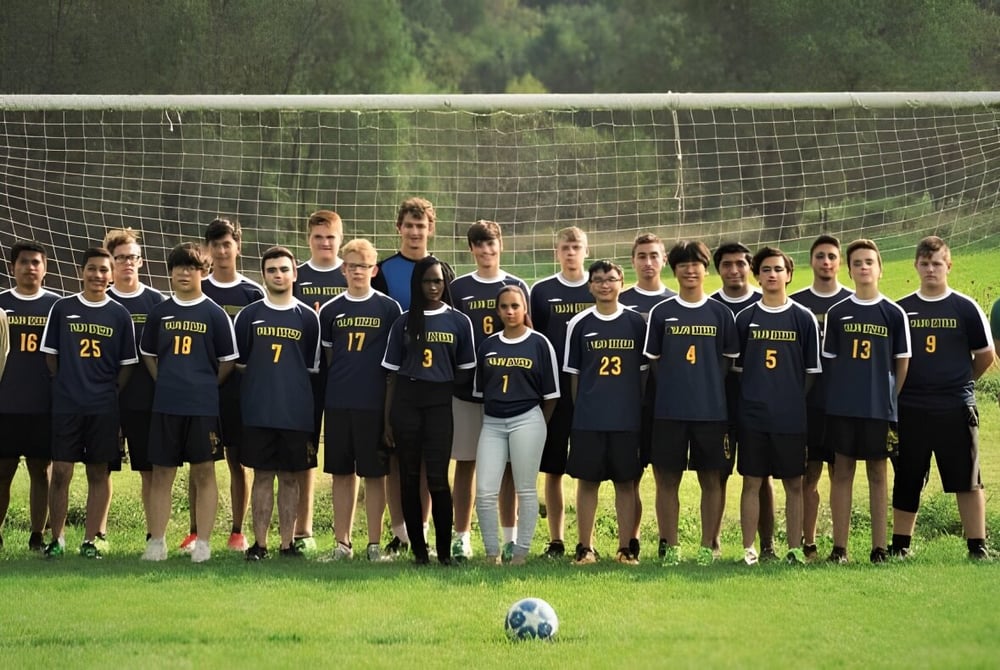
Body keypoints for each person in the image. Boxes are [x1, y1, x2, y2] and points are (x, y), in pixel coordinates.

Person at [893, 236, 993, 560]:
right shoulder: (900, 309)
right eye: (924, 263)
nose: (931, 269)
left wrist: (961, 383)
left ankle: (977, 546)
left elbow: (986, 355)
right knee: (907, 477)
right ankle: (900, 546)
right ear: (916, 266)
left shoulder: (965, 307)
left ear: (948, 265)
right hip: (911, 407)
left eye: (937, 263)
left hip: (955, 407)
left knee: (967, 478)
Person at [140, 242, 238, 563]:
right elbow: (148, 354)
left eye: (192, 267)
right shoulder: (159, 312)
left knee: (204, 472)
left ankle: (204, 544)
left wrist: (205, 386)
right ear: (170, 272)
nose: (185, 273)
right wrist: (165, 381)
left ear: (204, 272)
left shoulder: (214, 313)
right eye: (179, 267)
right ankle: (157, 542)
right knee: (161, 473)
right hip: (166, 405)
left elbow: (228, 361)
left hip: (202, 407)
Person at [644, 240, 738, 566]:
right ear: (674, 270)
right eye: (682, 264)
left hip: (711, 413)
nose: (689, 270)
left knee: (711, 479)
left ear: (705, 269)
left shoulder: (721, 313)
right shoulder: (661, 312)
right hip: (669, 412)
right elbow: (654, 361)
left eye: (695, 264)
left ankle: (707, 547)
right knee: (667, 480)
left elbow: (727, 361)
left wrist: (705, 387)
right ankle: (671, 547)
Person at [39, 247, 138, 558]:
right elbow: (51, 356)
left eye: (104, 269)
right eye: (92, 268)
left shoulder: (120, 314)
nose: (98, 275)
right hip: (67, 405)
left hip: (103, 407)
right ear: (81, 272)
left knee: (99, 472)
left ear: (111, 275)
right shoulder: (62, 308)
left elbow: (127, 365)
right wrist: (67, 386)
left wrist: (109, 392)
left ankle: (91, 540)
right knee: (61, 471)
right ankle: (57, 539)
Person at [372, 197, 454, 557]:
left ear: (430, 229)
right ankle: (400, 532)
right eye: (409, 225)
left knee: (430, 464)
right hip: (398, 376)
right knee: (398, 461)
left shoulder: (442, 270)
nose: (415, 231)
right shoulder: (384, 270)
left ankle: (423, 529)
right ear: (399, 228)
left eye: (421, 225)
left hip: (434, 385)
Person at [382, 256, 475, 565]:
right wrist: (387, 421)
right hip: (407, 401)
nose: (433, 286)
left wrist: (442, 384)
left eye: (438, 281)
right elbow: (392, 375)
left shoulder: (459, 321)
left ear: (445, 283)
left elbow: (466, 370)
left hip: (439, 403)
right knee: (409, 478)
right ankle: (419, 553)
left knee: (437, 478)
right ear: (417, 284)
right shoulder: (404, 321)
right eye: (427, 281)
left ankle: (445, 553)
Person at [823, 239, 910, 564]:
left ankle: (879, 548)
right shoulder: (837, 313)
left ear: (880, 269)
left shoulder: (893, 313)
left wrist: (888, 397)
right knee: (842, 471)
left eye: (869, 262)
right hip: (844, 407)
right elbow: (830, 361)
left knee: (877, 472)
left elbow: (902, 362)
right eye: (857, 263)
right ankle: (839, 548)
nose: (863, 268)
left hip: (878, 409)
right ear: (849, 270)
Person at [733, 247, 820, 565]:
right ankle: (749, 549)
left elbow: (811, 372)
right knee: (752, 481)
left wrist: (790, 399)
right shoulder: (745, 318)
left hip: (790, 417)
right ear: (757, 276)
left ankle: (794, 549)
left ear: (789, 275)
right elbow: (738, 371)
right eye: (766, 269)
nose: (772, 274)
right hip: (753, 416)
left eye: (778, 269)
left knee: (794, 482)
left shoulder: (803, 318)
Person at [449, 221, 529, 561]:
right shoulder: (458, 287)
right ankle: (462, 537)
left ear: (501, 245)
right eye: (479, 245)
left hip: (506, 391)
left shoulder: (517, 285)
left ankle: (510, 538)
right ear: (471, 249)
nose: (486, 250)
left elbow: (526, 334)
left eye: (491, 243)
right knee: (466, 463)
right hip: (468, 389)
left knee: (509, 466)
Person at [235, 246, 321, 560]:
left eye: (284, 269)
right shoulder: (248, 316)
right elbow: (240, 365)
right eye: (271, 270)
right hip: (258, 410)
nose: (278, 275)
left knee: (289, 477)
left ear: (294, 274)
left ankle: (287, 545)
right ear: (263, 275)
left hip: (295, 412)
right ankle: (260, 544)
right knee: (261, 476)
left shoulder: (308, 318)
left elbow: (311, 368)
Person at [318, 239, 401, 561]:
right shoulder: (330, 310)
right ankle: (342, 543)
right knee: (341, 473)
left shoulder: (388, 308)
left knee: (375, 474)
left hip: (373, 404)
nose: (357, 272)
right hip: (339, 402)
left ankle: (374, 545)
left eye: (363, 266)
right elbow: (329, 357)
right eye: (352, 266)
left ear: (374, 270)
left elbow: (393, 364)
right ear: (343, 269)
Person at [564, 260, 649, 565]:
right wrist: (584, 409)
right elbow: (574, 376)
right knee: (588, 482)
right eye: (598, 280)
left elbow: (643, 375)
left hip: (626, 420)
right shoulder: (579, 324)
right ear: (590, 286)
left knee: (625, 483)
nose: (604, 284)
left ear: (622, 283)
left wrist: (634, 409)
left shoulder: (637, 323)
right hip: (589, 420)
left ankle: (625, 548)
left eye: (611, 279)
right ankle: (585, 547)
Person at [473, 284, 559, 565]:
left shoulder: (539, 343)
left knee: (525, 488)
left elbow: (551, 395)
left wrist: (537, 424)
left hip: (527, 419)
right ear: (497, 311)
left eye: (515, 306)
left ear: (525, 309)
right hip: (493, 422)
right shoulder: (488, 345)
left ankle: (520, 552)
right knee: (485, 491)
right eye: (504, 307)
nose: (510, 312)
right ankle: (492, 553)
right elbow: (481, 392)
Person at [197, 217, 265, 553]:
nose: (222, 251)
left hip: (240, 389)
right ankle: (196, 532)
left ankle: (238, 532)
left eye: (228, 244)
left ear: (238, 246)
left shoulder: (253, 292)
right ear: (207, 249)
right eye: (216, 245)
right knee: (200, 461)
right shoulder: (199, 288)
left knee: (238, 460)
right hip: (202, 387)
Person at [529, 226, 594, 558]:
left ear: (586, 251)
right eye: (565, 247)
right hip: (554, 391)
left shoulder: (598, 285)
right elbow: (534, 340)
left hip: (590, 390)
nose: (571, 253)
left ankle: (586, 541)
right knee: (553, 469)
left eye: (576, 247)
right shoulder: (542, 291)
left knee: (587, 470)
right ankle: (556, 540)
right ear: (557, 252)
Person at [790, 235, 852, 558]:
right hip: (809, 403)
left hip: (843, 404)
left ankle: (840, 546)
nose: (826, 262)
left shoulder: (854, 301)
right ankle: (808, 543)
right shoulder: (796, 304)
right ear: (810, 261)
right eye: (820, 256)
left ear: (840, 263)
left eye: (831, 256)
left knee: (841, 474)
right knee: (808, 475)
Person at [104, 228, 167, 544]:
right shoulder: (100, 299)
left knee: (149, 470)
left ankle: (154, 534)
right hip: (105, 400)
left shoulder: (157, 301)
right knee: (100, 469)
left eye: (132, 257)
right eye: (120, 258)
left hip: (146, 399)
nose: (127, 263)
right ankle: (98, 534)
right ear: (110, 261)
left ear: (141, 261)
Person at [710, 241, 771, 559]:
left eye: (740, 264)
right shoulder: (709, 305)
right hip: (720, 402)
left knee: (761, 474)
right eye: (727, 264)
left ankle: (767, 544)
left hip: (759, 402)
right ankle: (713, 543)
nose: (734, 270)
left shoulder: (767, 302)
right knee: (718, 472)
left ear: (751, 268)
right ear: (717, 269)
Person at [292, 209, 348, 551]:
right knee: (305, 451)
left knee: (347, 457)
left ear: (340, 239)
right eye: (318, 237)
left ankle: (348, 535)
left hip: (345, 376)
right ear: (308, 239)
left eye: (330, 237)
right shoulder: (297, 274)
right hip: (306, 376)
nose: (325, 242)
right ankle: (303, 530)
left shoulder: (351, 271)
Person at [0, 240, 60, 552]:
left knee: (40, 470)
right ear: (13, 268)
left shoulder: (57, 306)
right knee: (3, 471)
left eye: (36, 262)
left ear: (45, 268)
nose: (30, 267)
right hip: (5, 404)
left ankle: (37, 535)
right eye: (23, 262)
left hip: (43, 405)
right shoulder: (1, 304)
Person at [619, 232, 676, 560]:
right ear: (633, 261)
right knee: (631, 475)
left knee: (665, 474)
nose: (648, 262)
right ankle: (632, 540)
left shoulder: (675, 301)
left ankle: (667, 541)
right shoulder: (620, 300)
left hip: (665, 400)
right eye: (642, 256)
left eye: (654, 255)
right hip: (628, 400)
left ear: (664, 260)